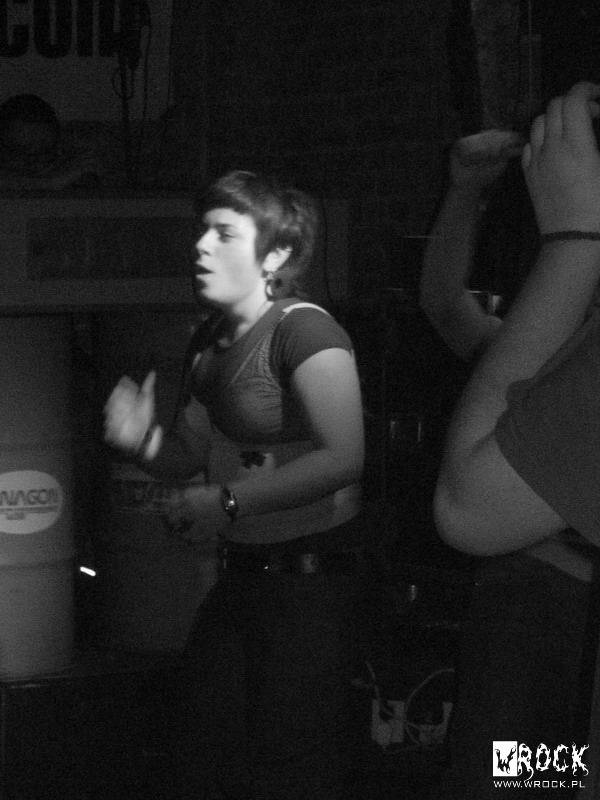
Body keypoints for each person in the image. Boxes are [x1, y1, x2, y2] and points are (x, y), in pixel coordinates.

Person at [103, 170, 367, 800]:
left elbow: (344, 457)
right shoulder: (209, 341)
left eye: (223, 234)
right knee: (200, 745)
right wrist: (141, 442)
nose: (200, 245)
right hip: (246, 576)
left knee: (289, 762)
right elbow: (191, 454)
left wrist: (226, 501)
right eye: (202, 231)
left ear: (275, 255)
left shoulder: (305, 331)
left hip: (310, 583)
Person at [434, 82, 600, 790]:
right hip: (535, 600)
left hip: (558, 605)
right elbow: (449, 310)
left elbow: (466, 505)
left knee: (538, 777)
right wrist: (464, 194)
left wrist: (571, 245)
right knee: (517, 777)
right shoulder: (557, 324)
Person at [0, 93, 102, 191]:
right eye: (22, 149)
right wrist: (50, 183)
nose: (34, 160)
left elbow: (92, 174)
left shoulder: (74, 149)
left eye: (45, 150)